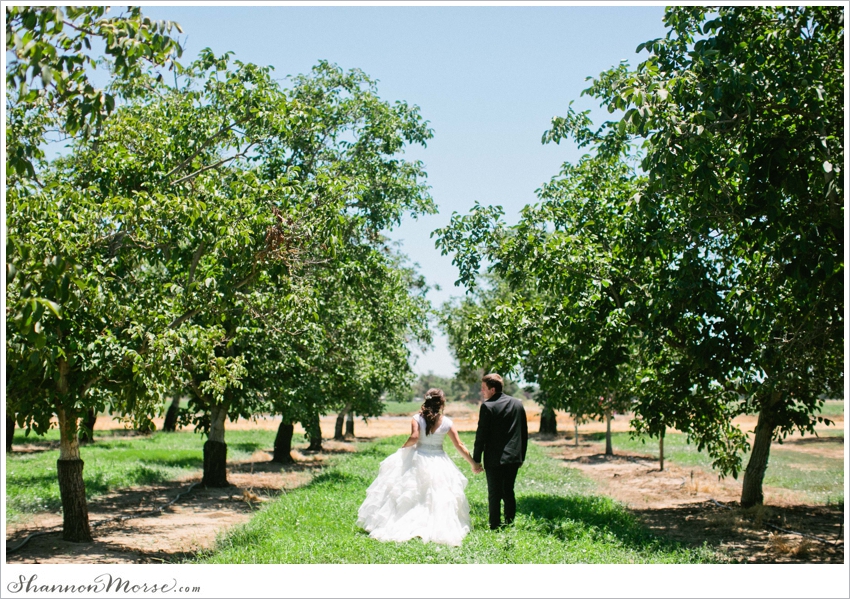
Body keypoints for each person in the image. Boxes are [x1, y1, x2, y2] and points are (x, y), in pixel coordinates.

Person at [357, 388, 479, 546]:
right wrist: (473, 463)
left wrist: (403, 448)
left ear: (426, 400)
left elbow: (414, 438)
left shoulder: (417, 418)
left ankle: (405, 521)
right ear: (442, 403)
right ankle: (434, 524)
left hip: (419, 457)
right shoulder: (447, 422)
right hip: (438, 460)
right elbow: (459, 445)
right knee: (437, 494)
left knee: (412, 492)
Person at [472, 373, 528, 530]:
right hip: (513, 457)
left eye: (484, 388)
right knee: (509, 491)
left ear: (492, 389)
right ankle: (509, 523)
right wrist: (521, 456)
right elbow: (524, 433)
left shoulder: (487, 406)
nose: (482, 392)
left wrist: (476, 460)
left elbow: (481, 435)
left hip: (494, 458)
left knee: (494, 493)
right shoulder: (518, 404)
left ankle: (495, 525)